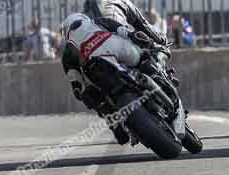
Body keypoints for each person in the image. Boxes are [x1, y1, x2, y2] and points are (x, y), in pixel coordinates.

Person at [59, 12, 163, 146]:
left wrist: (80, 90)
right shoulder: (95, 21)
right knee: (141, 58)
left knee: (89, 94)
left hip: (95, 66)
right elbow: (120, 29)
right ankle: (158, 75)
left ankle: (114, 124)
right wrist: (134, 36)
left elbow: (75, 80)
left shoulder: (69, 47)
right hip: (113, 44)